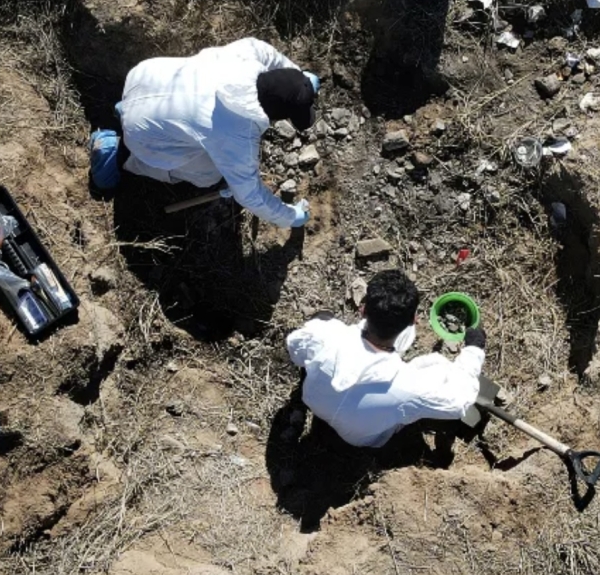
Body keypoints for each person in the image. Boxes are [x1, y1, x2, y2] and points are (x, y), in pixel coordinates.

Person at [88, 37, 320, 228]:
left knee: (182, 125)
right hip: (141, 135)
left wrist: (300, 78)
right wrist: (292, 217)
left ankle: (125, 111)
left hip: (143, 77)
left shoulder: (246, 52)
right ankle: (119, 156)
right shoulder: (239, 133)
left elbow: (275, 60)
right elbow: (250, 195)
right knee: (210, 174)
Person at [285, 269, 485, 447]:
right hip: (361, 439)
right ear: (414, 320)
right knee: (439, 367)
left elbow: (294, 347)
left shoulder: (324, 335)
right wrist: (474, 350)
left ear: (363, 309)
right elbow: (460, 402)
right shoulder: (408, 387)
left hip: (316, 404)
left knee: (323, 316)